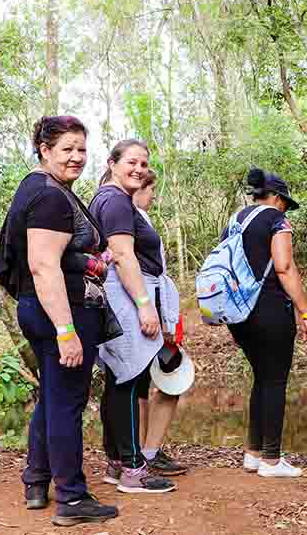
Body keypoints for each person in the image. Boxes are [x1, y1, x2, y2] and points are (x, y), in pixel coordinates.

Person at [0, 115, 118, 526]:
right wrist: (67, 331)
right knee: (67, 403)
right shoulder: (49, 195)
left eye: (82, 149)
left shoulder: (40, 188)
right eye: (67, 149)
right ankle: (71, 497)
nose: (77, 157)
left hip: (41, 308)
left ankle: (36, 479)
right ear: (44, 150)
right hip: (60, 311)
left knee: (53, 397)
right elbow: (43, 265)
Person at [89, 140, 177, 494]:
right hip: (123, 297)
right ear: (112, 163)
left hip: (117, 295)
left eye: (144, 163)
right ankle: (132, 468)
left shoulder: (108, 199)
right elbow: (124, 255)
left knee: (117, 380)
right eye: (131, 162)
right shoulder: (115, 201)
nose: (139, 169)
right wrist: (144, 304)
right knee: (126, 379)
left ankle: (117, 460)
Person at [226, 168, 307, 479]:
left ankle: (253, 453)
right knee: (275, 380)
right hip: (269, 310)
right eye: (285, 203)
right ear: (276, 198)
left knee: (262, 378)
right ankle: (272, 460)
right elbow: (284, 266)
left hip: (239, 314)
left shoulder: (235, 222)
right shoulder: (276, 220)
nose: (286, 210)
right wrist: (305, 312)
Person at [131, 169, 188, 477]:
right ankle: (145, 452)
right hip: (145, 311)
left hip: (155, 307)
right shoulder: (128, 216)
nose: (154, 195)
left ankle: (142, 452)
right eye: (151, 189)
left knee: (144, 383)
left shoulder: (139, 218)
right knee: (167, 376)